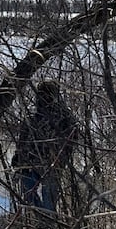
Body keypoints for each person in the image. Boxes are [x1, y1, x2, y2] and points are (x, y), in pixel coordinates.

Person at [12, 80, 80, 213]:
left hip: (52, 164)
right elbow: (23, 140)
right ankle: (43, 221)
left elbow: (72, 138)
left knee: (49, 202)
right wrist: (18, 157)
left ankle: (49, 225)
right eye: (41, 94)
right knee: (29, 196)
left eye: (47, 94)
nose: (43, 97)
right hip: (30, 164)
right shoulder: (33, 117)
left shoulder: (64, 116)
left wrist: (61, 157)